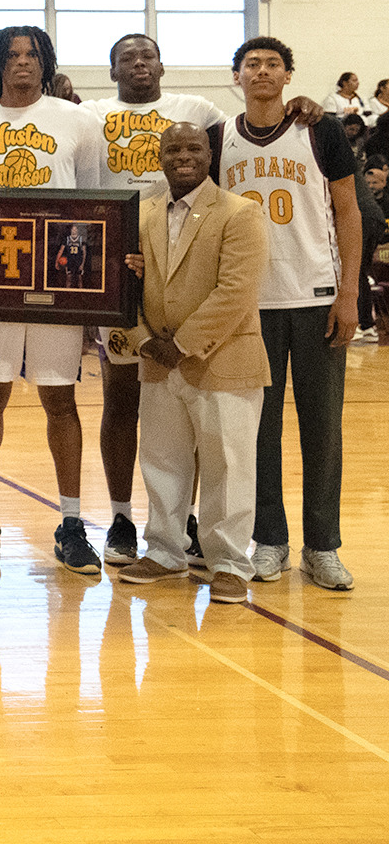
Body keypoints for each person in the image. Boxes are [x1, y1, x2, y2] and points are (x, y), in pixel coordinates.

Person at [0, 26, 105, 573]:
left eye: (32, 54)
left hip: (59, 277)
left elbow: (95, 205)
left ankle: (73, 521)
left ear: (47, 61)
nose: (23, 64)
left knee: (61, 399)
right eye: (11, 55)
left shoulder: (78, 120)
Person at [214, 36, 361, 591]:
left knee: (322, 428)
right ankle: (269, 539)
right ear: (237, 76)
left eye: (273, 64)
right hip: (250, 305)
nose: (262, 71)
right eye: (252, 64)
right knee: (259, 430)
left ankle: (323, 546)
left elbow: (348, 213)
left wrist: (349, 294)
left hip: (316, 296)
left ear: (288, 76)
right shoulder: (218, 138)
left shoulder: (319, 131)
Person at [83, 34, 230, 565]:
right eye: (127, 58)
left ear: (162, 65)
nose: (138, 64)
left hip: (183, 256)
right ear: (112, 69)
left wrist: (303, 107)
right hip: (119, 263)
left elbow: (245, 132)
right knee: (121, 395)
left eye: (147, 56)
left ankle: (180, 517)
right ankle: (122, 516)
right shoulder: (92, 113)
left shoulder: (198, 109)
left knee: (184, 395)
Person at [116, 122, 269, 604]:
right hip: (157, 360)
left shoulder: (241, 213)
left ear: (210, 154)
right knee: (162, 460)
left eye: (193, 148)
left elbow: (236, 293)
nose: (183, 156)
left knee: (229, 464)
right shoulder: (141, 215)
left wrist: (181, 344)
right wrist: (144, 341)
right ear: (159, 157)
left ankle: (228, 562)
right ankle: (164, 551)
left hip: (222, 359)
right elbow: (121, 289)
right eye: (173, 148)